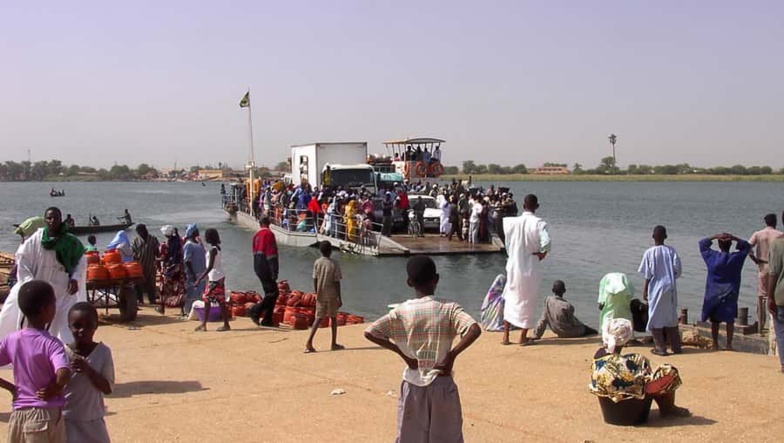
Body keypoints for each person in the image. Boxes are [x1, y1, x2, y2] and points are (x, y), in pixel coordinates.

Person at [364, 256, 482, 442]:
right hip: (442, 383)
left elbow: (370, 332)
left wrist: (403, 353)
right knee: (447, 437)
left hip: (413, 384)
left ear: (409, 282)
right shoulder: (448, 308)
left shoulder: (401, 311)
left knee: (410, 437)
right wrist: (452, 355)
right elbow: (474, 329)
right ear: (436, 279)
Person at [0, 207, 86, 343]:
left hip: (62, 292)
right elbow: (23, 260)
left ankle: (65, 356)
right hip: (38, 293)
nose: (52, 221)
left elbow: (80, 261)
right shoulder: (36, 239)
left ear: (60, 219)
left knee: (65, 327)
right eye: (49, 218)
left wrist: (75, 278)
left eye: (55, 218)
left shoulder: (71, 242)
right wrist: (31, 284)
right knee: (26, 325)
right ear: (45, 220)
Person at [0, 280, 73, 442]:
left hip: (19, 414)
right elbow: (63, 374)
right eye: (54, 303)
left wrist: (12, 388)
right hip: (45, 414)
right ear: (45, 309)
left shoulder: (12, 340)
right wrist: (56, 387)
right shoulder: (51, 343)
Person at [589, 318, 690, 419]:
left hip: (610, 410)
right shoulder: (636, 360)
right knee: (669, 371)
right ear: (626, 341)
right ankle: (668, 409)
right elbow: (645, 379)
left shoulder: (598, 356)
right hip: (636, 413)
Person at [502, 194, 551, 346]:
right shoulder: (539, 223)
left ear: (523, 206)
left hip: (514, 265)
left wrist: (514, 255)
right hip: (530, 265)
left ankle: (506, 337)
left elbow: (508, 245)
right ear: (536, 207)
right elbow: (547, 242)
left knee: (511, 298)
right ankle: (522, 337)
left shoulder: (512, 223)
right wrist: (542, 253)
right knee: (527, 300)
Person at [64, 302, 114, 443]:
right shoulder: (62, 353)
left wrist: (88, 371)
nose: (82, 330)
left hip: (93, 420)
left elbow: (107, 388)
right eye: (77, 325)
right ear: (69, 327)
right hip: (67, 419)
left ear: (96, 326)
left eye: (88, 325)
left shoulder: (103, 352)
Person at [699, 233, 751, 351]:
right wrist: (735, 237)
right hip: (730, 292)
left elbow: (702, 244)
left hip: (714, 293)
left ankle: (715, 344)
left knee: (715, 321)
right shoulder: (735, 259)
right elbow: (747, 247)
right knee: (729, 320)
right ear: (730, 245)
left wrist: (715, 236)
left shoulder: (712, 257)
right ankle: (729, 344)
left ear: (719, 244)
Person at [638, 225, 682, 356]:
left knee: (655, 317)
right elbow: (678, 270)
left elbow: (648, 274)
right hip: (670, 287)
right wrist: (670, 277)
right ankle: (676, 347)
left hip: (656, 288)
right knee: (671, 316)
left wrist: (645, 290)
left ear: (653, 237)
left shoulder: (649, 253)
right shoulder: (671, 251)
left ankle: (660, 348)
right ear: (666, 237)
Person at [304, 241, 344, 353]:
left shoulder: (317, 262)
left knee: (318, 318)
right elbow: (337, 282)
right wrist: (339, 298)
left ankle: (309, 341)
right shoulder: (334, 264)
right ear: (331, 251)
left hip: (321, 294)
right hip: (331, 294)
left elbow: (315, 278)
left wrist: (316, 292)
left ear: (320, 251)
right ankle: (333, 343)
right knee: (334, 318)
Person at [749, 214, 783, 334]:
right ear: (775, 222)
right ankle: (774, 324)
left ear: (765, 222)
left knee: (761, 297)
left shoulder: (758, 234)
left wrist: (754, 259)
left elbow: (747, 247)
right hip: (776, 267)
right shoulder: (779, 235)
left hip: (762, 266)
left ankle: (760, 327)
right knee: (774, 296)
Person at [533, 280, 597, 339]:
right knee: (587, 329)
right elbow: (573, 322)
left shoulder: (548, 301)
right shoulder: (567, 306)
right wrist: (583, 326)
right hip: (568, 332)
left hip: (556, 330)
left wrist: (537, 335)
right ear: (564, 290)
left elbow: (543, 320)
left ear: (552, 290)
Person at [195, 228, 230, 332]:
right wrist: (201, 244)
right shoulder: (217, 248)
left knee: (206, 299)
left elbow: (209, 266)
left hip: (214, 277)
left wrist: (199, 278)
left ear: (209, 237)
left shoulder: (212, 250)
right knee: (221, 300)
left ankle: (204, 324)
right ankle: (225, 324)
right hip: (219, 276)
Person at [249, 217, 280, 327]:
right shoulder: (269, 234)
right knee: (274, 293)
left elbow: (254, 251)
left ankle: (267, 319)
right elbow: (271, 254)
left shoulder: (256, 236)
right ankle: (255, 310)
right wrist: (274, 271)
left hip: (257, 265)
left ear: (260, 224)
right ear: (269, 224)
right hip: (266, 265)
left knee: (269, 292)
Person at [766, 226, 784, 373]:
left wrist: (769, 295)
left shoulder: (777, 244)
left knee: (781, 329)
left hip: (781, 294)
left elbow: (773, 273)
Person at [157, 225, 184, 315]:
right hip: (178, 268)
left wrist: (156, 260)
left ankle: (162, 307)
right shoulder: (179, 242)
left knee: (164, 288)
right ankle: (182, 310)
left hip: (168, 269)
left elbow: (163, 257)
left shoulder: (164, 245)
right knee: (178, 288)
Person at [131, 224, 160, 305]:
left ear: (144, 230)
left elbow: (157, 252)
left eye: (140, 231)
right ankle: (140, 300)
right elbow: (133, 253)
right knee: (139, 283)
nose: (139, 233)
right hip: (139, 266)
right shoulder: (136, 241)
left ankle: (152, 300)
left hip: (150, 265)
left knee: (151, 283)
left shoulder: (153, 239)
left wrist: (158, 263)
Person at [182, 224, 206, 316]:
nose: (198, 232)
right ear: (193, 232)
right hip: (193, 274)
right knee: (191, 293)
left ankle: (197, 312)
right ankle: (188, 311)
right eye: (196, 231)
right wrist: (193, 274)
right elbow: (187, 260)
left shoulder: (198, 244)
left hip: (200, 274)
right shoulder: (188, 245)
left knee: (199, 294)